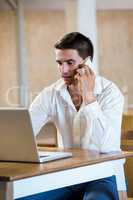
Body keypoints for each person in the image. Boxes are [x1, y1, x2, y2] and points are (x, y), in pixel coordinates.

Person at [18, 32, 125, 200]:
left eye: (70, 62)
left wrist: (89, 96)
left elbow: (106, 146)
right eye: (59, 63)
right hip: (66, 175)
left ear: (87, 62)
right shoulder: (51, 94)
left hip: (103, 175)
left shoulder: (110, 93)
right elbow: (24, 132)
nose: (63, 70)